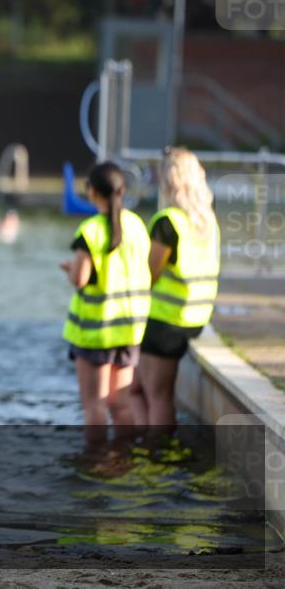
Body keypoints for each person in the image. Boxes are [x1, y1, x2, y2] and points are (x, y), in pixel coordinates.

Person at [60, 162, 151, 445]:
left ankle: (96, 461)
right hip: (129, 330)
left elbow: (81, 279)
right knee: (120, 405)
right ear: (122, 191)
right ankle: (124, 458)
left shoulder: (91, 230)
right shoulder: (136, 225)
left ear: (92, 192)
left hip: (95, 332)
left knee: (94, 406)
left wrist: (71, 269)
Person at [132, 148, 220, 432]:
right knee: (139, 389)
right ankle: (150, 446)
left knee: (155, 395)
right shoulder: (207, 220)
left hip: (166, 322)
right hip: (196, 317)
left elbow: (149, 273)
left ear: (169, 180)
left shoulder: (167, 222)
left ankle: (155, 451)